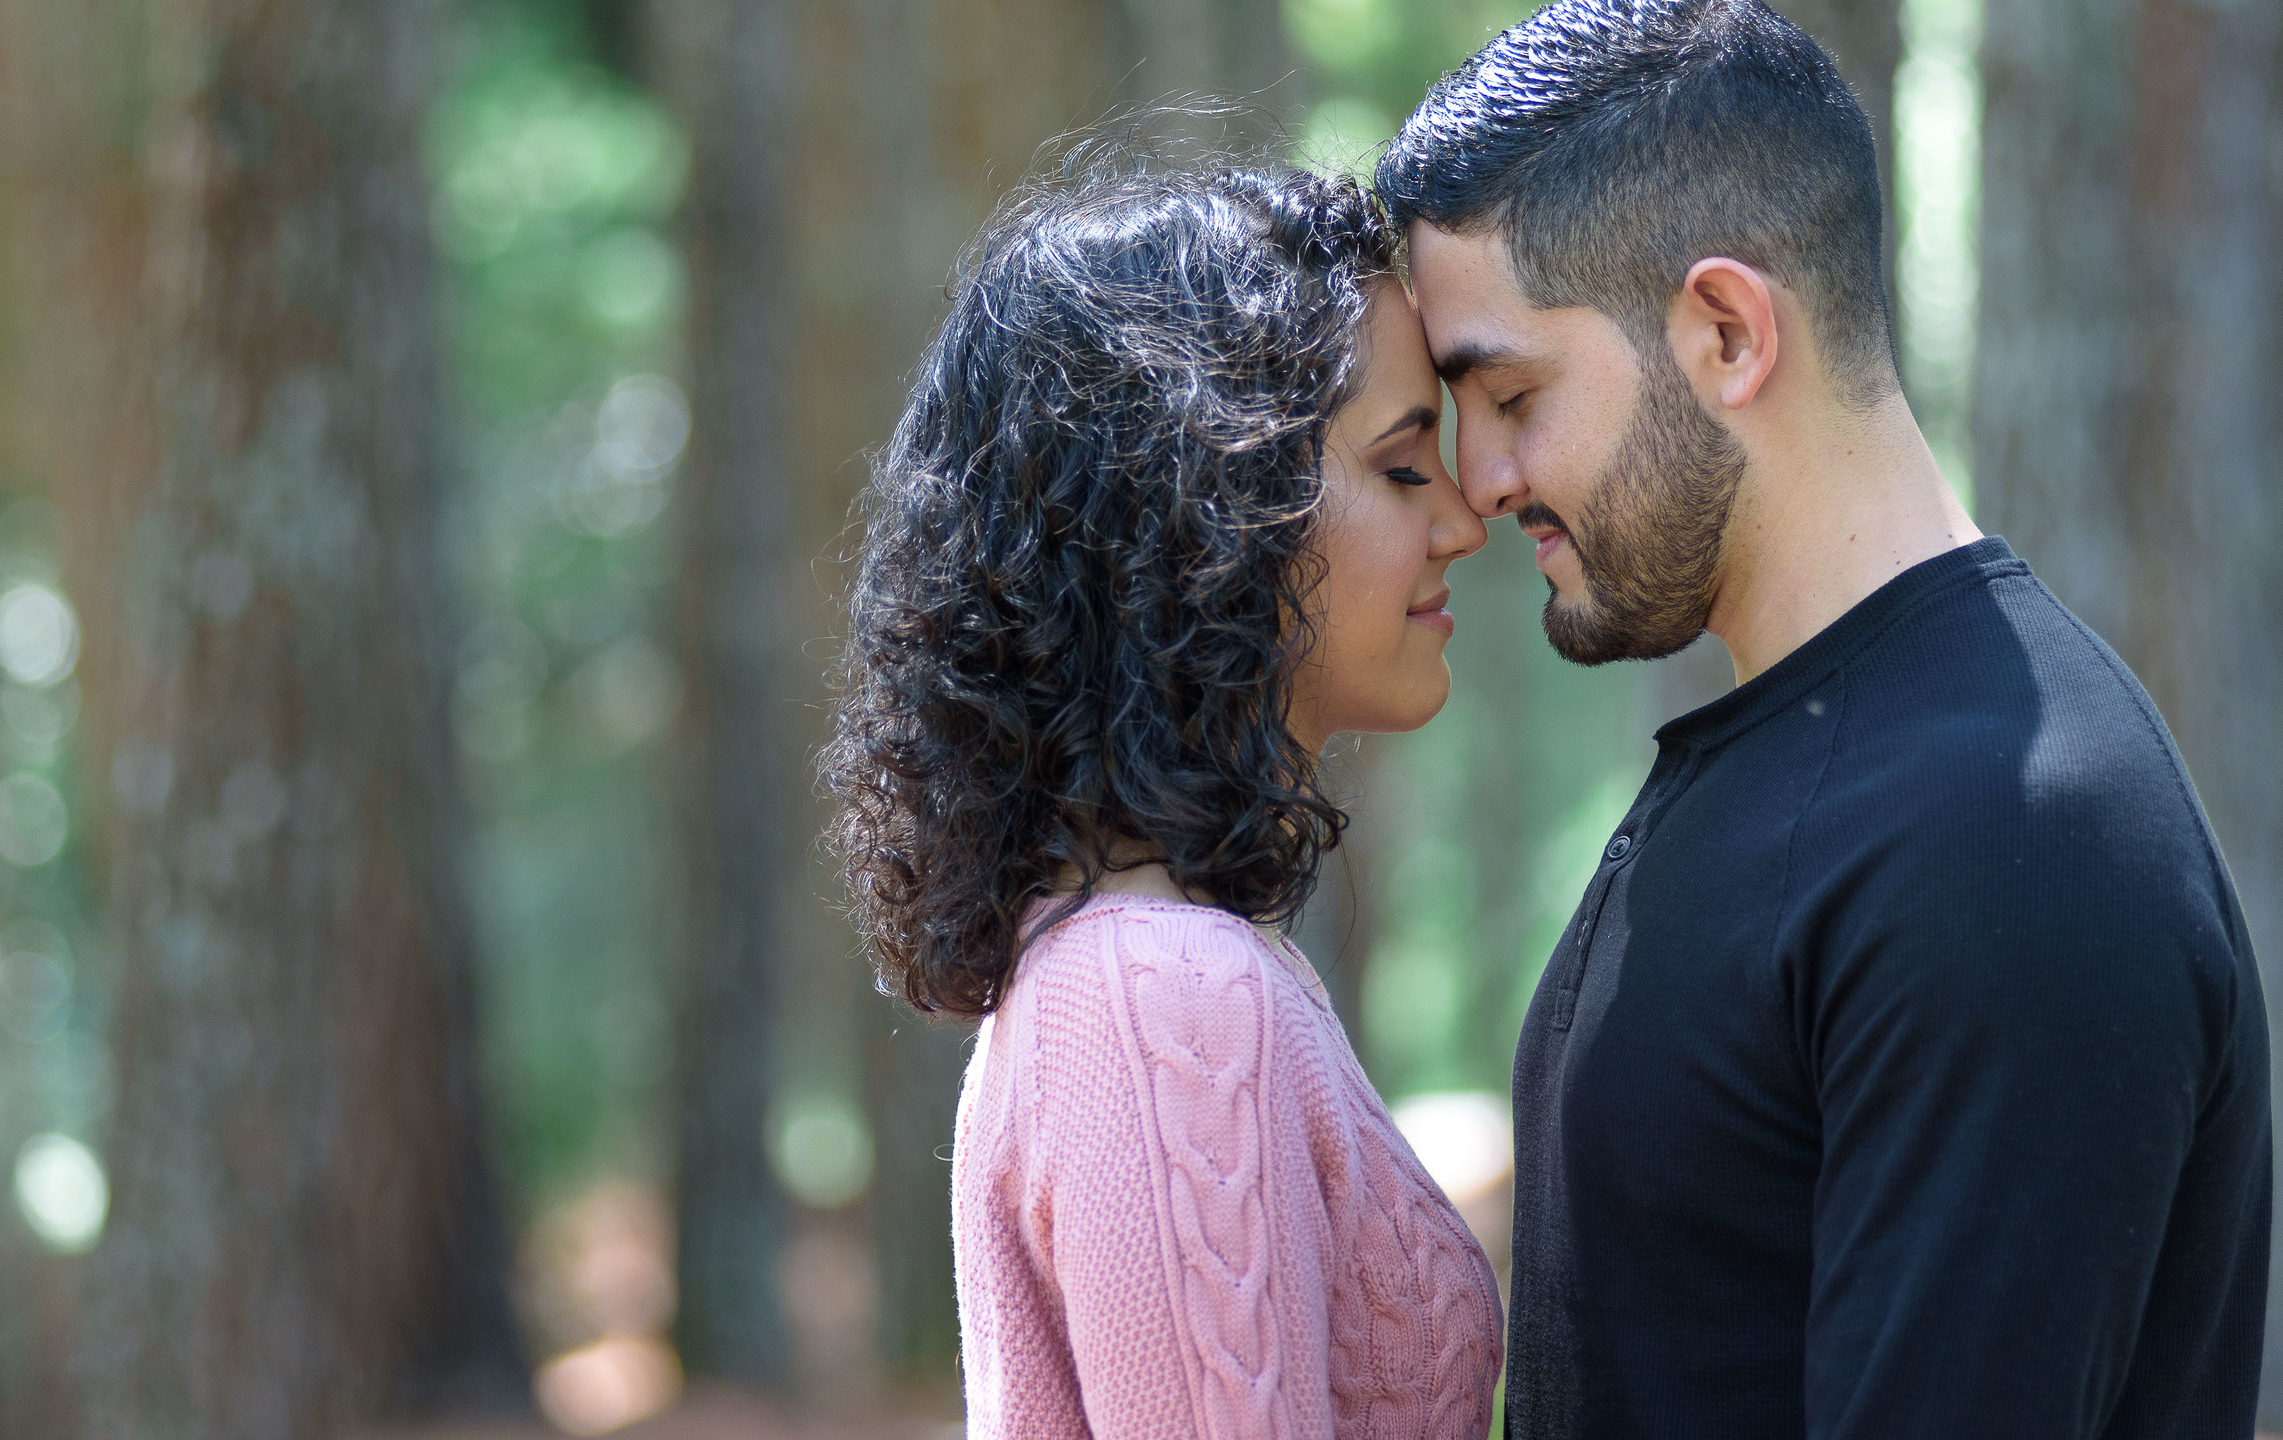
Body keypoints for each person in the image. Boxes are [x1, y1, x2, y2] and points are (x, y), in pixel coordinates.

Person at [1375, 2, 2272, 1436]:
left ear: (1727, 332)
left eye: (1510, 393)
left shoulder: (2007, 834)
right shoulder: (1820, 767)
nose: (1479, 481)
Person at [824, 152, 1503, 1437]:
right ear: (1214, 517)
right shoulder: (1163, 998)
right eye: (1404, 467)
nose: (1464, 521)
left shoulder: (1121, 966)